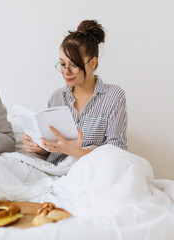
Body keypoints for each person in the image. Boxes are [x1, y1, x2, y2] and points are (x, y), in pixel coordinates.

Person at [23, 20, 127, 164]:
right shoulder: (57, 97)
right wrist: (37, 147)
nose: (66, 71)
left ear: (92, 63)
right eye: (63, 64)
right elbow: (51, 148)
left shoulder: (113, 96)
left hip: (92, 170)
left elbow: (118, 151)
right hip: (57, 170)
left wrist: (77, 152)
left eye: (74, 65)